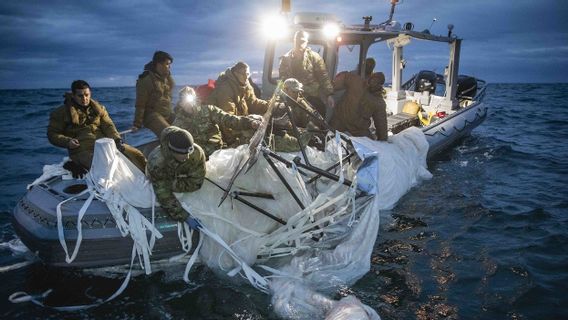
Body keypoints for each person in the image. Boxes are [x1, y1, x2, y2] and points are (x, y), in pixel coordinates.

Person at [47, 80, 147, 176]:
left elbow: (108, 126)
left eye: (87, 95)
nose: (84, 99)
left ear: (90, 93)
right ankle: (72, 164)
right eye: (80, 96)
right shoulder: (61, 113)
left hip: (104, 144)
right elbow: (52, 134)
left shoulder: (99, 109)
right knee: (104, 166)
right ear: (73, 95)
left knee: (136, 155)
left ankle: (151, 179)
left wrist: (117, 140)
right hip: (81, 149)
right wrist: (67, 142)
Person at [173, 86, 260, 158]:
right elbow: (173, 140)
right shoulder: (178, 121)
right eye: (184, 101)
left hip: (217, 153)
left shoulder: (209, 110)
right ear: (180, 103)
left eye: (190, 100)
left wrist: (250, 123)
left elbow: (229, 119)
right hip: (197, 158)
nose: (188, 104)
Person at [146, 126, 206, 222]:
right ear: (172, 150)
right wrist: (184, 216)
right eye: (182, 153)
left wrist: (174, 183)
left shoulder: (197, 153)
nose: (187, 156)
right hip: (159, 175)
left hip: (176, 176)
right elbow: (164, 195)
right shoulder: (157, 162)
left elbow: (196, 183)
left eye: (189, 151)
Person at [206, 61, 268, 146]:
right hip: (226, 130)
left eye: (248, 74)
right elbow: (227, 120)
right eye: (243, 74)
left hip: (239, 123)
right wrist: (235, 141)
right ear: (235, 73)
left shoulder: (245, 85)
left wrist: (271, 105)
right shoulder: (225, 89)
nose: (246, 77)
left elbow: (253, 103)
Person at [279, 30, 334, 119]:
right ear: (294, 41)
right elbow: (282, 79)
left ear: (307, 42)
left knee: (318, 118)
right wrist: (279, 93)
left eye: (302, 41)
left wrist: (329, 94)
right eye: (298, 41)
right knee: (285, 116)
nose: (300, 43)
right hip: (292, 96)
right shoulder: (286, 59)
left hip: (311, 95)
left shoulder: (314, 57)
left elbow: (323, 76)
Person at [330, 72, 388, 141]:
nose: (374, 82)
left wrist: (383, 139)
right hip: (340, 119)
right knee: (328, 135)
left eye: (378, 82)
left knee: (369, 144)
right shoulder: (357, 81)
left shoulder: (379, 102)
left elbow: (381, 123)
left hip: (358, 129)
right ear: (370, 77)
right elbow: (345, 76)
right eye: (373, 79)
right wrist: (331, 87)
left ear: (380, 85)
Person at [131, 51, 175, 137]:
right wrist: (137, 124)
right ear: (159, 64)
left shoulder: (166, 78)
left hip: (167, 113)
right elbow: (140, 104)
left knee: (186, 127)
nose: (169, 67)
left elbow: (170, 90)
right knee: (170, 134)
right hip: (152, 115)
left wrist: (168, 75)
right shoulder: (145, 80)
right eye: (167, 64)